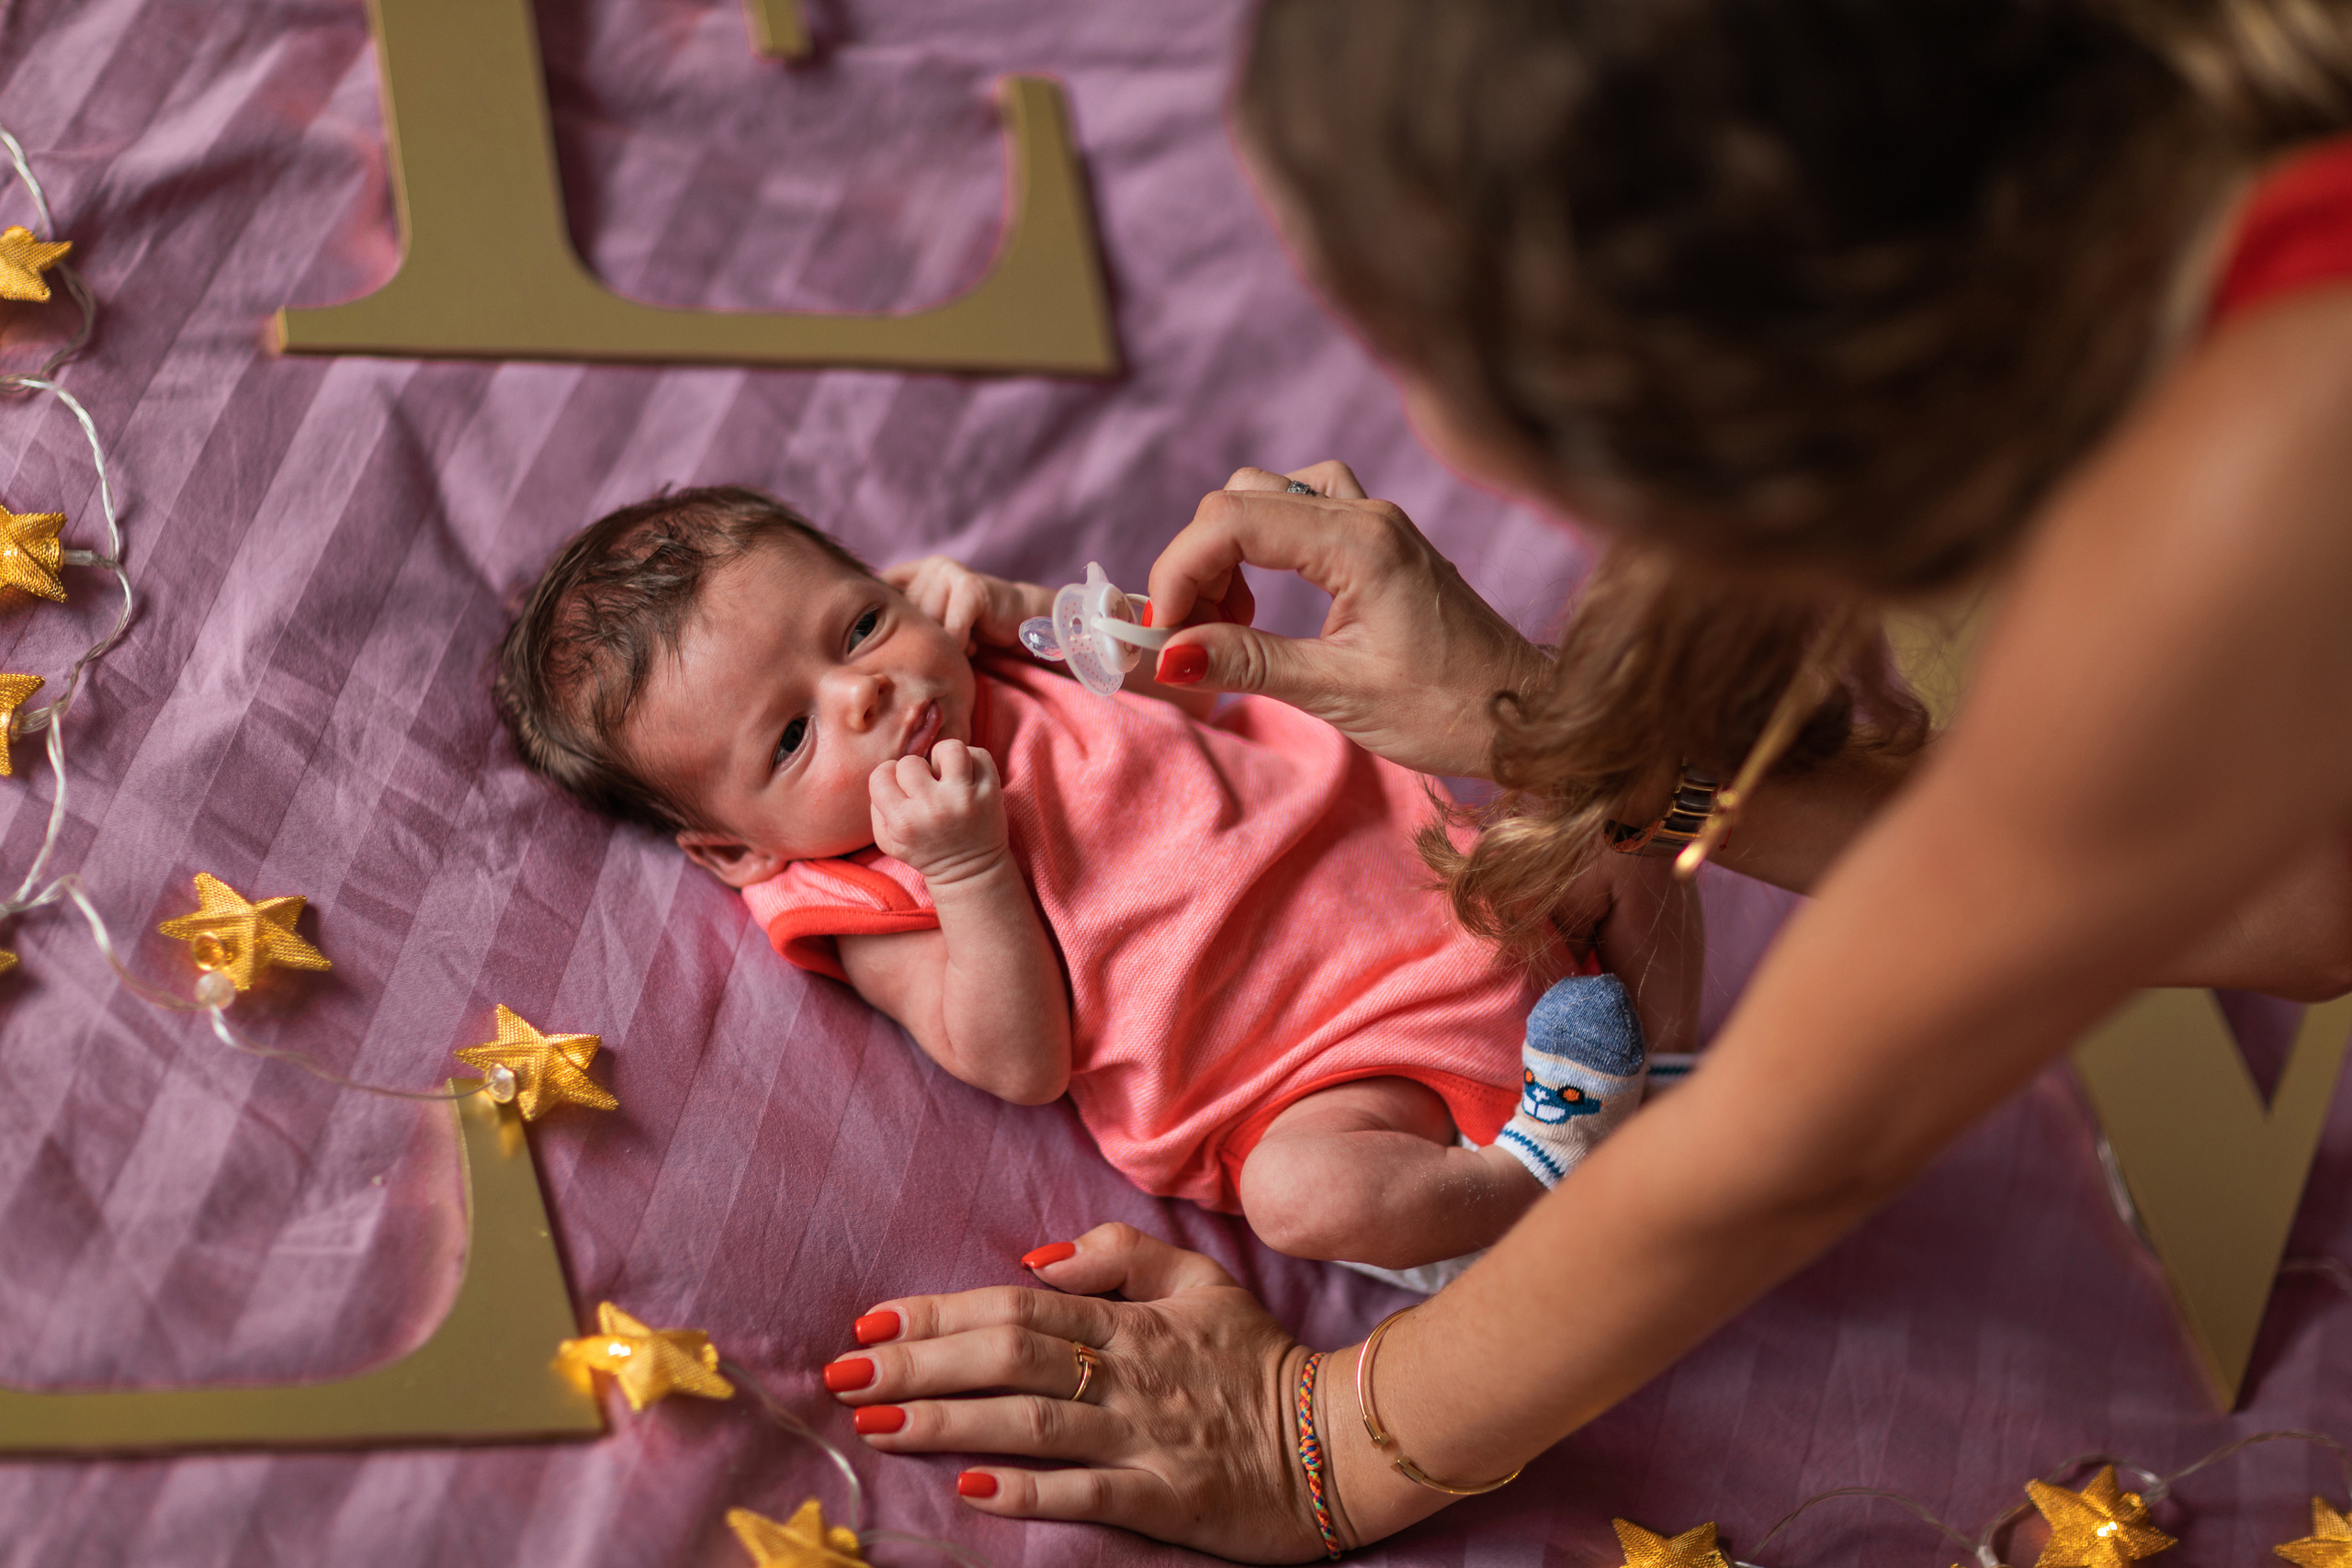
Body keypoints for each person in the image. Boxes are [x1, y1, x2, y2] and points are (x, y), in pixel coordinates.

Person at [805, 0, 2352, 1559]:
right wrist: (1574, 743)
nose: (1409, 426)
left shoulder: (2231, 506)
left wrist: (1329, 1443)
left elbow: (1827, 1125)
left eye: (1400, 344)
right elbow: (2264, 891)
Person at [492, 487, 1704, 1280]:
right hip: (1323, 1075)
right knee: (1299, 1195)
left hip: (1455, 888)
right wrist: (967, 868)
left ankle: (1659, 1057)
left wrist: (1032, 615)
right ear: (739, 849)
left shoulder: (985, 664)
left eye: (856, 626)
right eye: (792, 739)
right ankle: (1526, 1177)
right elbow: (1018, 1061)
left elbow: (1186, 683)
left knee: (1615, 819)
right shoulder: (857, 892)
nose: (862, 693)